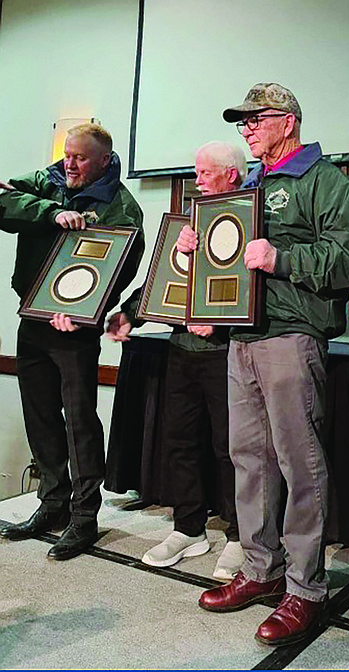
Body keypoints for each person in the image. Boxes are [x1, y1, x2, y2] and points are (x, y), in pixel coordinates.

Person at [181, 83, 349, 646]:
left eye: (255, 119)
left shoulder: (323, 179)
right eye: (242, 123)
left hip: (292, 336)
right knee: (249, 459)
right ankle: (260, 570)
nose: (247, 129)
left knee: (298, 462)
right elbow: (229, 263)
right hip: (242, 337)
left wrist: (281, 257)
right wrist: (194, 250)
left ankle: (305, 587)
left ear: (288, 121)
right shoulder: (249, 185)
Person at [0, 123, 144, 560]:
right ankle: (52, 503)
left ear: (103, 161)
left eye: (80, 157)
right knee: (39, 414)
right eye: (67, 154)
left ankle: (84, 516)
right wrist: (48, 211)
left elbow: (122, 266)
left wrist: (87, 313)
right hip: (34, 318)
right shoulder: (48, 181)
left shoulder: (122, 207)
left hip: (75, 328)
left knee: (79, 419)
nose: (70, 163)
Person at [106, 141, 247, 580]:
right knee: (179, 441)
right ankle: (189, 527)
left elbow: (252, 287)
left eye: (207, 173)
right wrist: (128, 313)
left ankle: (241, 536)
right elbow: (159, 280)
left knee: (231, 449)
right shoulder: (185, 224)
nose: (198, 180)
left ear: (232, 176)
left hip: (229, 355)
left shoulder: (252, 219)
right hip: (181, 351)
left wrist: (220, 325)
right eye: (196, 172)